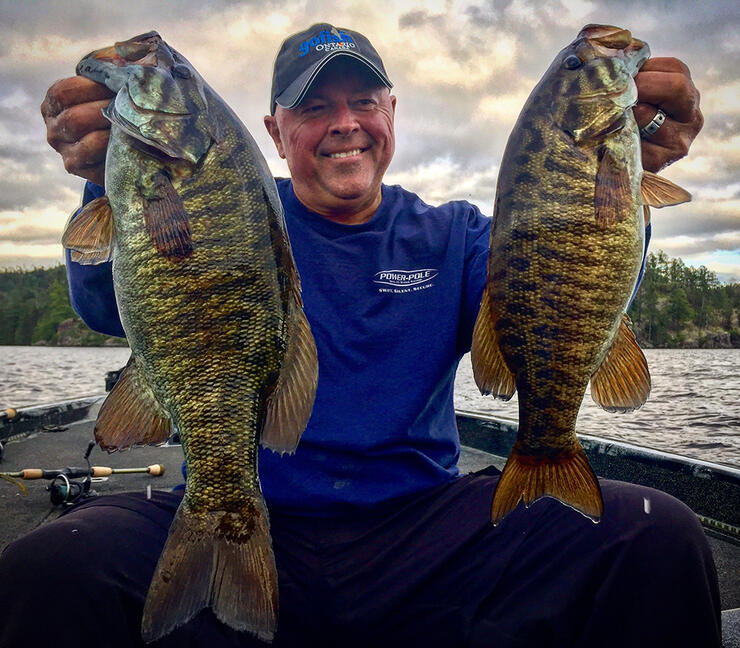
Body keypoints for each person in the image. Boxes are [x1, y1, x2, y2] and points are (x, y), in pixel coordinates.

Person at [0, 23, 718, 648]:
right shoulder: (231, 209)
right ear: (276, 131)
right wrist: (106, 178)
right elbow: (104, 304)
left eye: (363, 101)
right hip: (252, 512)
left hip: (423, 536)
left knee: (655, 535)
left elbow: (561, 285)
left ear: (391, 115)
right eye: (315, 107)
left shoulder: (458, 236)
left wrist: (630, 166)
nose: (345, 122)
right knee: (47, 570)